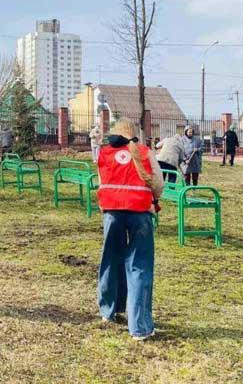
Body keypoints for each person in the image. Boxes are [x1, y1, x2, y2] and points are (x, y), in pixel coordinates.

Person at [95, 118, 163, 341]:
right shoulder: (144, 152)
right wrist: (154, 200)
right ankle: (140, 327)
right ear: (134, 133)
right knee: (139, 265)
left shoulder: (105, 153)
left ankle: (109, 310)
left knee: (110, 259)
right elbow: (158, 183)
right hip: (140, 212)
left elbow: (102, 181)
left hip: (112, 212)